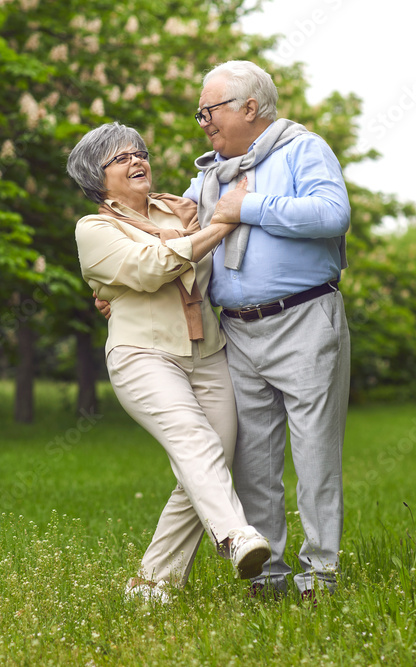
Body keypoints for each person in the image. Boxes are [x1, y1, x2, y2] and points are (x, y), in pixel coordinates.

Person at [98, 61, 351, 602]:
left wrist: (251, 206)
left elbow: (333, 215)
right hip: (236, 333)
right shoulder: (211, 175)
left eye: (208, 111)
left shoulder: (303, 150)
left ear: (248, 108)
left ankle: (321, 575)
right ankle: (270, 577)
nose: (203, 123)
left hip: (304, 318)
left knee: (314, 457)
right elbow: (166, 232)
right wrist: (116, 285)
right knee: (253, 461)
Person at [66, 121, 271, 602]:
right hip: (143, 355)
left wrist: (207, 224)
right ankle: (236, 535)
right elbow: (153, 266)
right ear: (97, 177)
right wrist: (222, 224)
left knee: (207, 464)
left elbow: (199, 262)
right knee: (195, 443)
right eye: (121, 158)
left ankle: (151, 584)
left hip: (207, 351)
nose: (137, 161)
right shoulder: (94, 228)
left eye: (140, 152)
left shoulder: (179, 208)